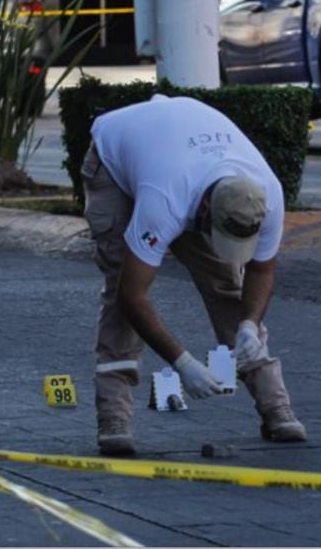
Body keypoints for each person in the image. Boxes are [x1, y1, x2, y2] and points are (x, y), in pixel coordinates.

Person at [81, 94, 306, 456]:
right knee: (120, 280)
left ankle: (276, 407)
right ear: (203, 210)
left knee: (227, 283)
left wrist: (249, 323)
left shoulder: (266, 196)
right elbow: (132, 295)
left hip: (178, 154)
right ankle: (114, 416)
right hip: (114, 158)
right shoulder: (164, 201)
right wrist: (182, 362)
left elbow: (261, 269)